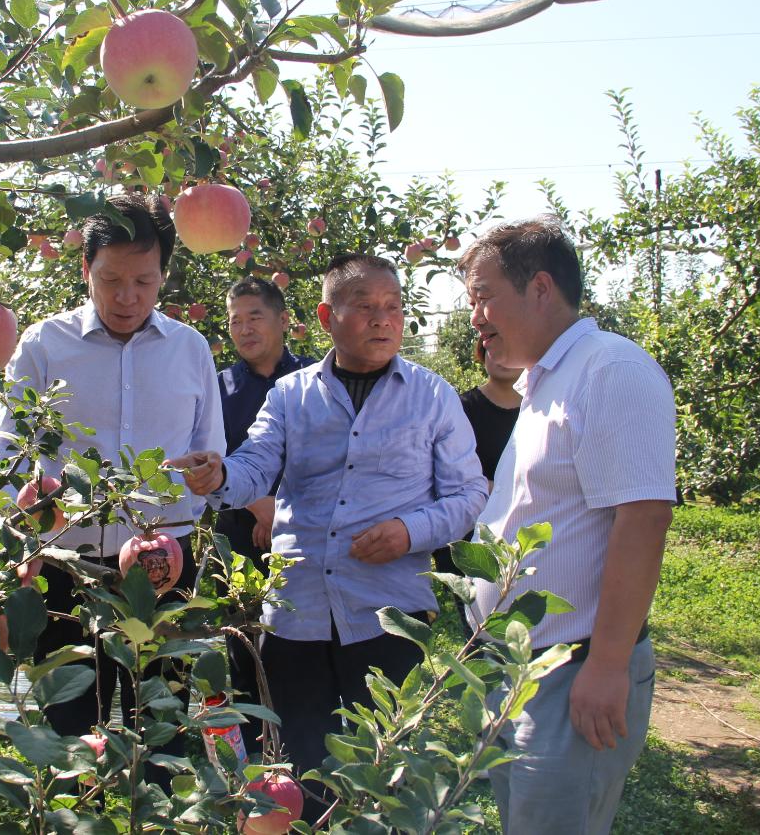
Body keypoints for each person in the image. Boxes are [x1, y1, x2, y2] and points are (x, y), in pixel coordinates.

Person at [170, 253, 487, 821]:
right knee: (300, 765)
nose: (383, 320)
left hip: (387, 612)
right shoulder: (291, 396)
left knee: (382, 766)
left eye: (392, 308)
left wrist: (409, 531)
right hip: (298, 613)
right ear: (326, 317)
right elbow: (255, 466)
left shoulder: (432, 396)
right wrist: (217, 476)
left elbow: (468, 495)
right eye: (365, 307)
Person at [0, 192, 225, 777]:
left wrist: (209, 474)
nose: (126, 296)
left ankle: (159, 812)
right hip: (69, 565)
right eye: (110, 279)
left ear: (164, 274)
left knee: (159, 723)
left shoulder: (190, 349)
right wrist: (26, 496)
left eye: (144, 280)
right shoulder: (44, 344)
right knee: (68, 730)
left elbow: (211, 459)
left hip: (163, 567)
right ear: (85, 270)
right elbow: (3, 449)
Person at [457, 216, 676, 835]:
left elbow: (643, 517)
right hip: (524, 669)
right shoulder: (546, 384)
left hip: (573, 668)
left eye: (483, 297)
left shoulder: (610, 370)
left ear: (541, 289)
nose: (475, 317)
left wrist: (606, 666)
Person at [215, 275, 313, 756]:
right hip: (240, 543)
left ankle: (304, 750)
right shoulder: (220, 389)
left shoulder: (316, 380)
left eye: (254, 316)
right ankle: (258, 759)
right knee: (246, 647)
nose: (244, 328)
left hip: (307, 543)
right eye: (235, 320)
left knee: (301, 649)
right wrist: (256, 503)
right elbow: (211, 457)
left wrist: (282, 509)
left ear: (284, 320)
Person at [431, 338, 522, 620]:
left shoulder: (540, 410)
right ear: (481, 355)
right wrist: (504, 489)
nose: (504, 358)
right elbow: (445, 475)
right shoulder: (461, 410)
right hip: (473, 538)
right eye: (493, 347)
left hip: (525, 534)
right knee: (481, 628)